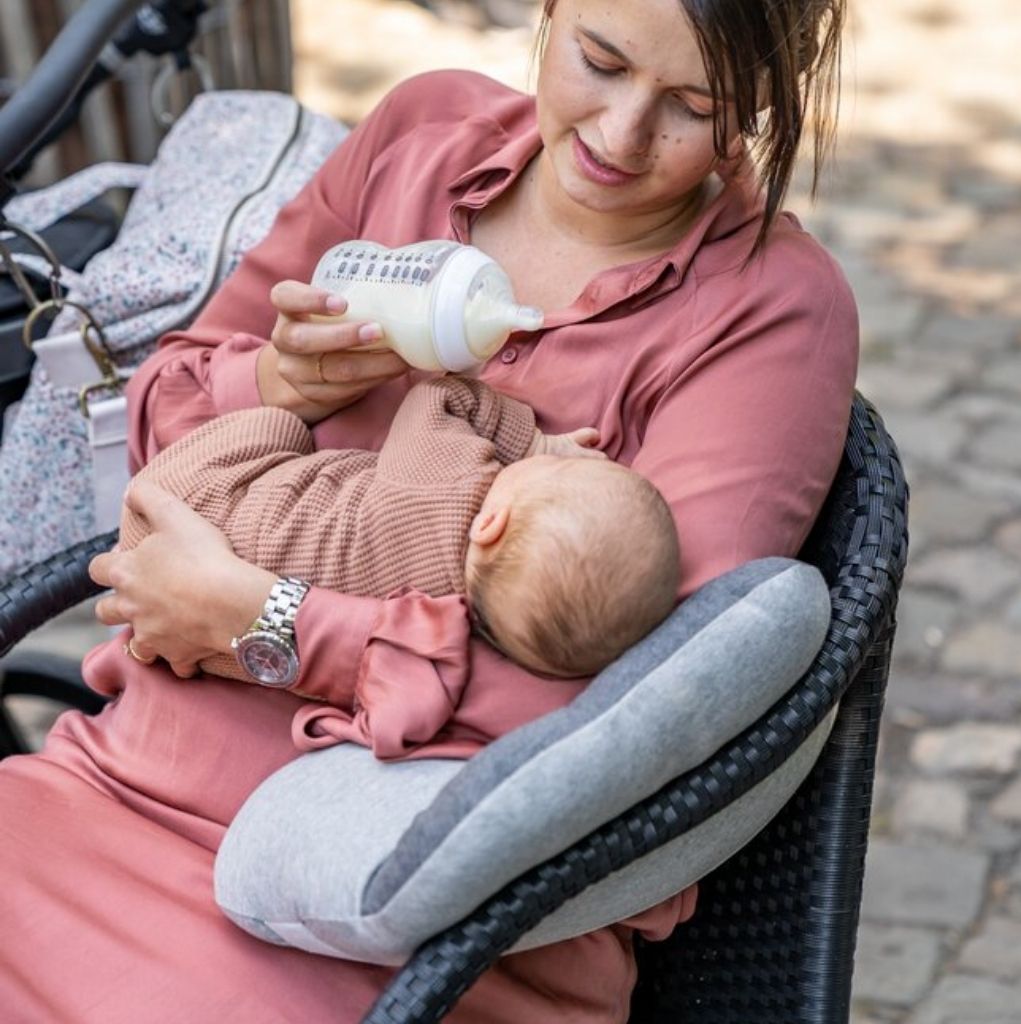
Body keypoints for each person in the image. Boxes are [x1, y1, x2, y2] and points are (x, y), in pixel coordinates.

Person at [0, 0, 857, 1020]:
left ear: (767, 92)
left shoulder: (768, 312)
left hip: (400, 920)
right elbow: (162, 430)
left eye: (692, 105)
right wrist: (276, 384)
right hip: (112, 787)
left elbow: (645, 712)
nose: (621, 135)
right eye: (600, 60)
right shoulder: (421, 138)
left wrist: (270, 623)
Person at [119, 373, 680, 687]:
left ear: (490, 524)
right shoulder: (445, 622)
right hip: (225, 641)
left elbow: (436, 395)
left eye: (554, 474)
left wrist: (532, 442)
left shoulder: (451, 481)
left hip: (192, 496)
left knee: (282, 425)